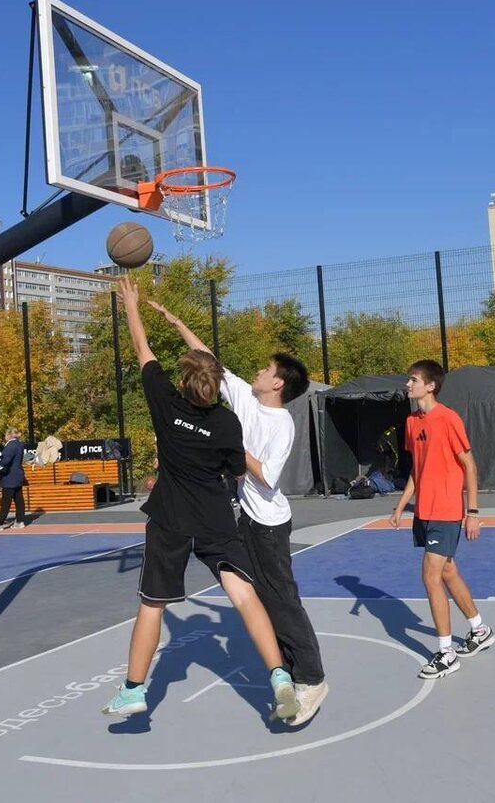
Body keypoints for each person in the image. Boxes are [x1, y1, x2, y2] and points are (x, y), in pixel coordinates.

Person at [101, 276, 299, 723]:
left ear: (184, 381)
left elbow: (142, 349)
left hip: (170, 518)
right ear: (214, 386)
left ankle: (133, 691)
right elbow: (234, 470)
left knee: (153, 605)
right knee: (244, 595)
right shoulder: (229, 424)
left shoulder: (165, 403)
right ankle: (280, 677)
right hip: (215, 519)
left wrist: (130, 304)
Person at [150, 298, 328, 726]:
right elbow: (209, 360)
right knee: (260, 598)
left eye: (266, 369)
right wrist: (176, 320)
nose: (258, 372)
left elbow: (267, 477)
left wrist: (230, 445)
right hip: (246, 519)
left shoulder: (281, 425)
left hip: (269, 524)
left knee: (281, 600)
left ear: (278, 383)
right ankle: (287, 675)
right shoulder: (245, 398)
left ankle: (312, 678)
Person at [388, 359, 495, 679]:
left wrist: (472, 512)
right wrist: (400, 505)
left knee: (430, 575)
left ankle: (446, 653)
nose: (408, 384)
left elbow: (470, 466)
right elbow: (417, 469)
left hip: (447, 510)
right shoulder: (411, 422)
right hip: (424, 510)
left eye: (413, 379)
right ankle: (480, 630)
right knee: (447, 571)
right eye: (409, 379)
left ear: (430, 386)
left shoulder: (448, 419)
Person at [0, 428, 27, 531]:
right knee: (19, 499)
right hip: (18, 474)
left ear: (8, 435)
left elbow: (6, 460)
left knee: (6, 501)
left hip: (9, 476)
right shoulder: (19, 444)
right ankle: (20, 521)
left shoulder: (10, 445)